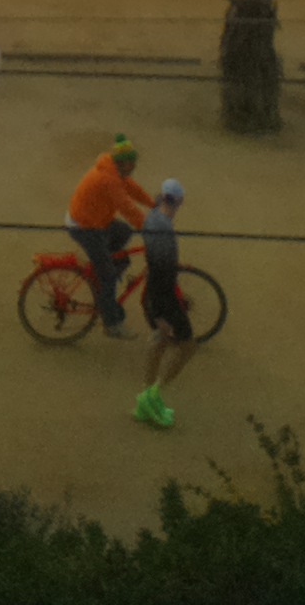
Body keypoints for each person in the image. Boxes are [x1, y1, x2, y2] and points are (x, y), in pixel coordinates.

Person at [65, 134, 153, 338]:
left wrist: (153, 205)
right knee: (108, 276)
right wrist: (150, 227)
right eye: (132, 162)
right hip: (85, 226)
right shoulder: (109, 179)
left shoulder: (115, 171)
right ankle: (112, 325)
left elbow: (132, 189)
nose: (134, 166)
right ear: (123, 162)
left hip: (96, 220)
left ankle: (103, 269)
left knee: (124, 231)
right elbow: (127, 207)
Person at [132, 178, 200, 428]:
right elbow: (162, 271)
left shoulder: (152, 217)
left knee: (159, 340)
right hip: (163, 296)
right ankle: (152, 395)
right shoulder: (164, 228)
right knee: (187, 345)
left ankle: (146, 396)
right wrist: (162, 311)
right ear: (179, 201)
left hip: (154, 294)